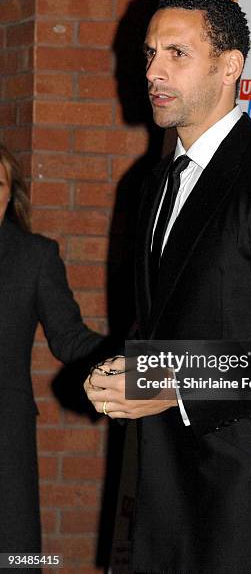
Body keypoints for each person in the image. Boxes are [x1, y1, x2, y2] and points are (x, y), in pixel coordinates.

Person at [84, 0, 251, 573]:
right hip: (164, 490)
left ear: (231, 66)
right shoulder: (156, 181)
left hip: (243, 503)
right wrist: (129, 370)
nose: (153, 71)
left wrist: (175, 390)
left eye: (176, 53)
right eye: (150, 53)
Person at [0, 144, 107, 557]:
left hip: (5, 440)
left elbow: (70, 338)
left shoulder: (34, 256)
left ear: (12, 195)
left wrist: (132, 360)